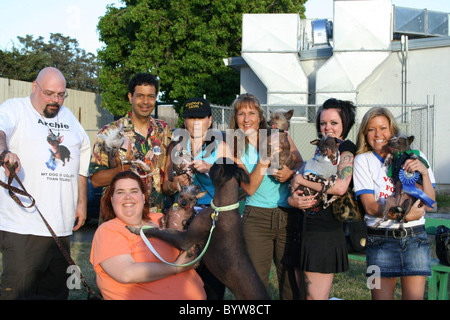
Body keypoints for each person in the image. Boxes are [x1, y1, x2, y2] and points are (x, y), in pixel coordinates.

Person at [0, 67, 91, 300]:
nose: (55, 100)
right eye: (49, 93)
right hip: (23, 227)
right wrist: (4, 153)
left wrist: (81, 202)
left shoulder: (69, 117)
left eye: (61, 95)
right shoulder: (15, 108)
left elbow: (81, 154)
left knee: (57, 294)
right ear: (34, 87)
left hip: (60, 229)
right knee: (19, 294)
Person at [353, 107, 435, 300]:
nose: (378, 134)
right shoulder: (362, 160)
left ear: (393, 130)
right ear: (365, 134)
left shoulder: (415, 155)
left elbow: (430, 204)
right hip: (378, 241)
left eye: (383, 127)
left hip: (416, 240)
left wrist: (423, 172)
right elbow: (371, 207)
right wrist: (404, 215)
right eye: (371, 129)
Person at [230, 93, 302, 300]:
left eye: (251, 113)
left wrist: (290, 173)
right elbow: (249, 188)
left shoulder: (279, 135)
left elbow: (299, 162)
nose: (246, 119)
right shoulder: (234, 146)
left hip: (287, 214)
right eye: (241, 114)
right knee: (254, 283)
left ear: (260, 116)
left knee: (289, 282)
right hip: (256, 218)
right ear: (234, 118)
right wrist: (264, 158)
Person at [90, 170, 206, 300]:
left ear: (144, 197)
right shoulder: (109, 230)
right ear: (112, 200)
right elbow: (126, 273)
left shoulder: (162, 219)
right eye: (120, 192)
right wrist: (176, 268)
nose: (128, 197)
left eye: (134, 191)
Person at [288, 98, 357, 300]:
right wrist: (294, 198)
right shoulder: (320, 148)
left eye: (334, 123)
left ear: (345, 124)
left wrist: (301, 179)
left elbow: (341, 187)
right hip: (304, 227)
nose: (327, 127)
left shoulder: (345, 149)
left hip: (324, 231)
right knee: (302, 295)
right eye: (323, 123)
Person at [162, 97, 230, 299]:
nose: (196, 123)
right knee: (182, 280)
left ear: (209, 120)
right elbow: (165, 187)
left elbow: (233, 185)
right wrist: (175, 184)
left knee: (211, 282)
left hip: (211, 221)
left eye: (201, 118)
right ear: (185, 121)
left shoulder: (221, 147)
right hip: (182, 222)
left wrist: (211, 169)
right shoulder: (175, 148)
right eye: (191, 118)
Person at [90, 73, 172, 214]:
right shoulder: (110, 133)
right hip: (119, 221)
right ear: (130, 97)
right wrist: (120, 170)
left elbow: (168, 179)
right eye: (140, 96)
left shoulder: (164, 131)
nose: (145, 102)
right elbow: (96, 180)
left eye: (150, 97)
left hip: (154, 221)